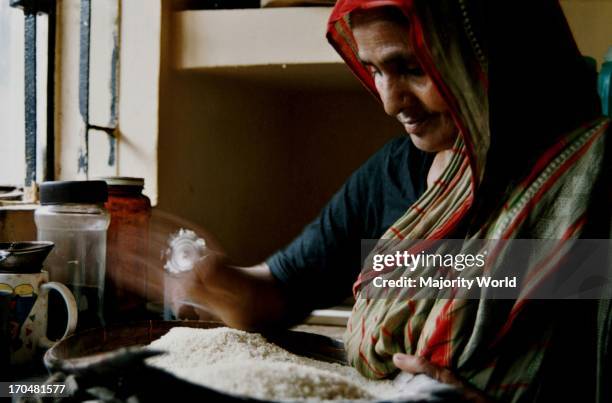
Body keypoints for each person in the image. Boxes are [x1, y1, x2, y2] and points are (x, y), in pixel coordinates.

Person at [162, 0, 611, 401]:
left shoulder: (589, 181)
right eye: (376, 71)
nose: (390, 102)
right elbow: (283, 289)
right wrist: (211, 278)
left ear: (491, 55)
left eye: (413, 68)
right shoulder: (394, 172)